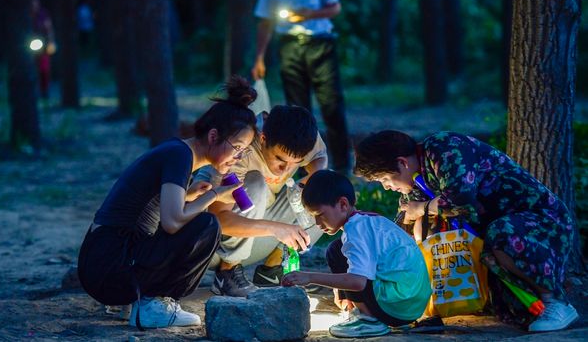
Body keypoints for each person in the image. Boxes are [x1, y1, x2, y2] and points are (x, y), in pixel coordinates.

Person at [77, 76, 258, 329]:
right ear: (214, 136)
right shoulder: (180, 156)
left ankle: (138, 300)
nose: (238, 157)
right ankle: (153, 304)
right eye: (237, 147)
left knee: (199, 220)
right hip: (109, 265)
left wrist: (190, 195)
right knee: (208, 225)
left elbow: (150, 207)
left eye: (243, 151)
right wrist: (214, 195)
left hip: (101, 262)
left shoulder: (178, 152)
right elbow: (173, 222)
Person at [354, 130, 579, 332]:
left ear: (402, 163)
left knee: (499, 233)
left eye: (384, 179)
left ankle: (556, 302)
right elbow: (404, 226)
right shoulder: (417, 179)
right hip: (494, 236)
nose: (386, 186)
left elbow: (462, 200)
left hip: (539, 226)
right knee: (425, 227)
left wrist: (422, 208)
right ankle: (428, 308)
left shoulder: (445, 149)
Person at [194, 105, 327, 296]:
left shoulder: (300, 134)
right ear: (263, 138)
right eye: (280, 159)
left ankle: (273, 270)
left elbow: (320, 156)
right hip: (213, 246)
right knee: (256, 182)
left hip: (254, 237)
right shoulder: (240, 147)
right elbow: (220, 220)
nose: (284, 169)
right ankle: (227, 272)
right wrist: (275, 228)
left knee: (325, 186)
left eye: (295, 163)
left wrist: (313, 178)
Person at [282, 170, 431, 338]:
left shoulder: (356, 230)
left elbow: (357, 282)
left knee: (337, 252)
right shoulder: (366, 220)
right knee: (338, 248)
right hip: (411, 303)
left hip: (398, 305)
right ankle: (360, 310)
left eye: (320, 215)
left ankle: (368, 320)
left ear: (343, 204)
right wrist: (341, 293)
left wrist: (309, 277)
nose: (317, 223)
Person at [251, 0, 350, 173]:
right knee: (297, 108)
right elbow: (265, 21)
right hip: (290, 45)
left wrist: (311, 14)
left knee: (332, 104)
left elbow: (335, 7)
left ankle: (342, 165)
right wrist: (259, 57)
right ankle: (303, 164)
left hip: (320, 43)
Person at [30, 0, 56, 99]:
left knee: (44, 67)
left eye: (35, 3)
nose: (33, 6)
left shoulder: (43, 14)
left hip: (42, 43)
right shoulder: (27, 15)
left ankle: (45, 89)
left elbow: (49, 28)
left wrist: (51, 42)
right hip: (31, 43)